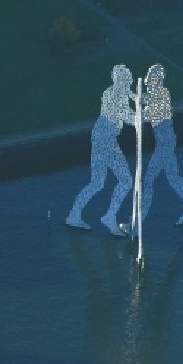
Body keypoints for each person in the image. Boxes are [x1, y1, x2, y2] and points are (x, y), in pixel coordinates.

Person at [66, 65, 134, 236]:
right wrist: (145, 115)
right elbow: (127, 116)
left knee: (98, 182)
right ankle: (109, 216)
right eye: (125, 79)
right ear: (119, 80)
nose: (127, 82)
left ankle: (74, 215)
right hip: (105, 141)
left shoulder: (114, 92)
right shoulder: (114, 95)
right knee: (125, 180)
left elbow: (127, 112)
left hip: (102, 138)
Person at [140, 64, 183, 226]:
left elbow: (149, 112)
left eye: (151, 81)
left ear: (157, 81)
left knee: (149, 181)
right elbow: (145, 106)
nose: (149, 84)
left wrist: (138, 106)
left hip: (165, 144)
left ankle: (137, 223)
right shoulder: (154, 96)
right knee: (173, 177)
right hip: (166, 143)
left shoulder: (162, 95)